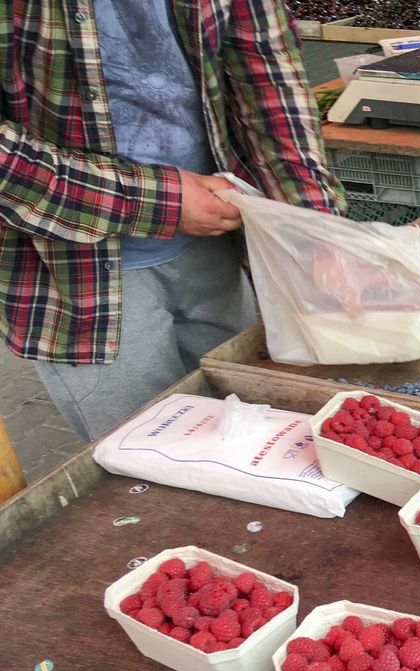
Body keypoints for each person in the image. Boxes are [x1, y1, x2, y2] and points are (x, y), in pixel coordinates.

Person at [0, 0, 344, 441]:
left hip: (216, 242)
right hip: (77, 277)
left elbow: (269, 83)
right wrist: (156, 201)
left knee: (264, 434)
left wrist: (315, 228)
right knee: (150, 462)